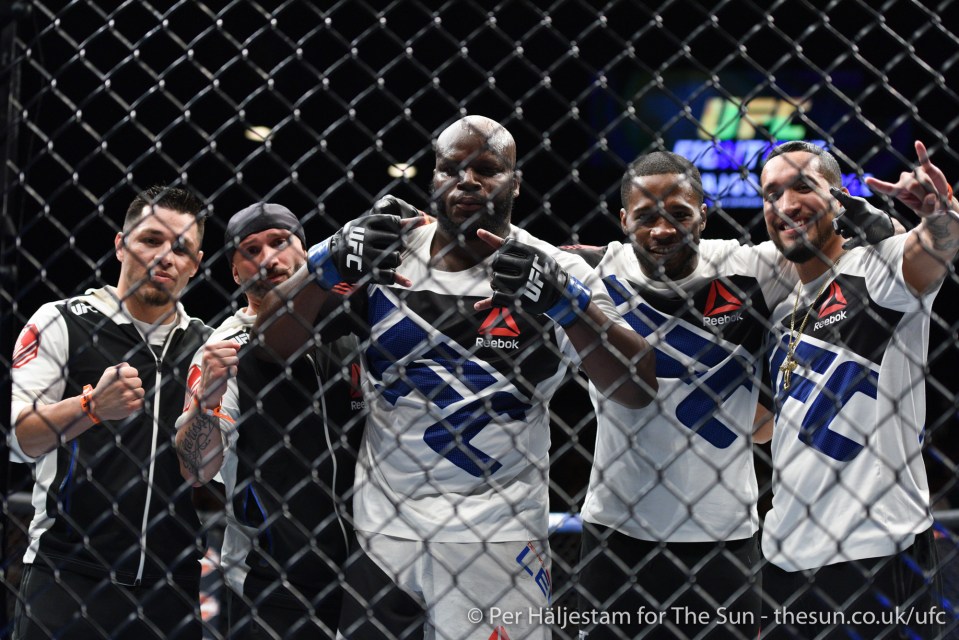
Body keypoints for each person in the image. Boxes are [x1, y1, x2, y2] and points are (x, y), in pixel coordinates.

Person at [253, 115, 658, 640]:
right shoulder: (384, 253)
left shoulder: (554, 270)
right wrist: (327, 262)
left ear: (514, 182)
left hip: (499, 540)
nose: (468, 182)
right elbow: (270, 344)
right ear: (433, 176)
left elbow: (637, 386)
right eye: (452, 168)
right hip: (385, 533)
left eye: (487, 170)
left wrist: (566, 305)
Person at [570, 151, 798, 639]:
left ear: (703, 215)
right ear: (624, 219)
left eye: (678, 213)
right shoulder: (593, 273)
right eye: (647, 216)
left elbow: (832, 255)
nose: (662, 230)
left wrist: (876, 221)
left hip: (725, 533)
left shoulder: (752, 269)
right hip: (616, 530)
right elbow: (507, 252)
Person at [759, 140, 958, 639]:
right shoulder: (780, 310)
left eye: (803, 186)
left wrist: (941, 216)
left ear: (839, 196)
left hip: (878, 549)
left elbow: (935, 246)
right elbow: (764, 431)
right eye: (771, 193)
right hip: (784, 556)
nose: (785, 204)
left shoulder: (879, 269)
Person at [9, 186, 209, 640]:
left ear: (195, 265)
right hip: (67, 577)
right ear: (121, 244)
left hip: (170, 588)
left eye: (182, 249)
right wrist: (90, 407)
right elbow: (20, 440)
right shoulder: (61, 320)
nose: (165, 257)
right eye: (151, 240)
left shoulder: (206, 345)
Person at [173, 203, 366, 639]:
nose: (268, 259)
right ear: (236, 273)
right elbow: (195, 469)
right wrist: (207, 400)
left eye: (280, 242)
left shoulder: (354, 326)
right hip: (272, 584)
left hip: (369, 574)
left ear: (307, 250)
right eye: (251, 250)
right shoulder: (225, 349)